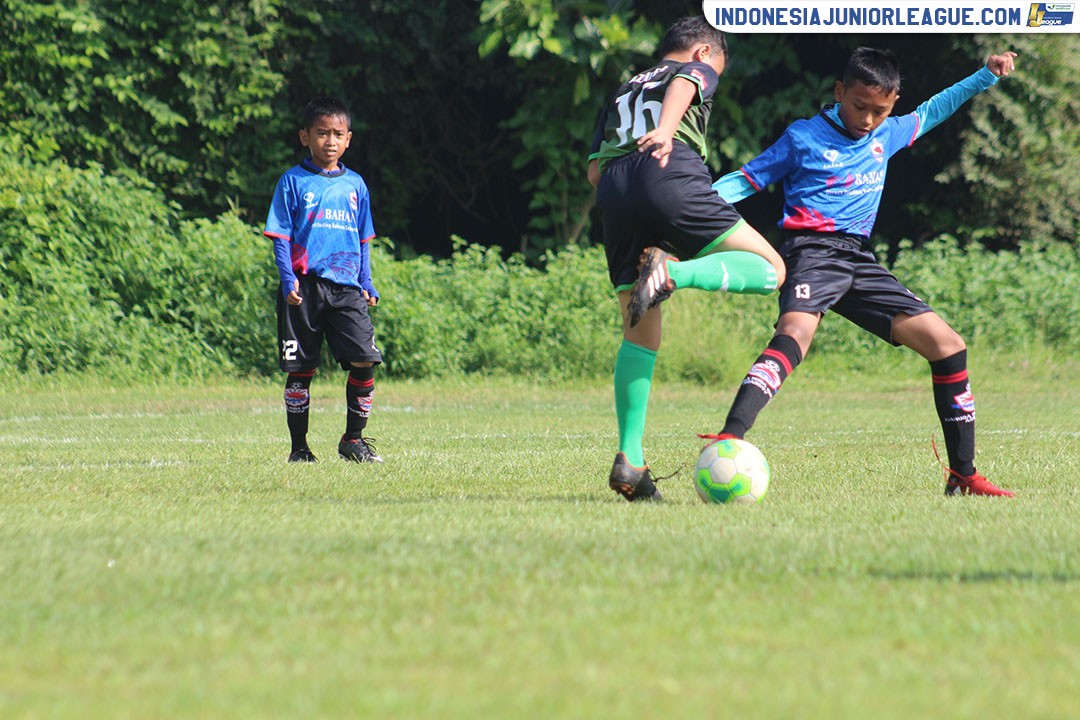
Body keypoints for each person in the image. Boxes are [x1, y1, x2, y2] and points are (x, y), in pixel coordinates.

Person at [696, 46, 1018, 496]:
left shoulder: (888, 134)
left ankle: (963, 475)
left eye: (880, 111)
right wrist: (691, 204)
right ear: (839, 91)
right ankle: (731, 436)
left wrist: (986, 75)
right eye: (859, 106)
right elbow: (747, 180)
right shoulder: (803, 136)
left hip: (859, 261)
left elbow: (937, 108)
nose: (867, 119)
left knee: (948, 346)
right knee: (794, 335)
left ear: (893, 106)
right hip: (811, 253)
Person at [587, 16, 786, 502]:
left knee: (639, 333)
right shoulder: (696, 67)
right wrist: (667, 131)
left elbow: (593, 170)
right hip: (666, 170)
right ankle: (673, 271)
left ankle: (630, 460)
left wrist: (629, 187)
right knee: (771, 270)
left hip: (614, 191)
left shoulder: (622, 90)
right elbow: (686, 82)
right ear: (703, 52)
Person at [264, 96, 384, 464]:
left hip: (347, 288)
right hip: (304, 287)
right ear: (305, 137)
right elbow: (280, 235)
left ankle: (353, 439)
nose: (329, 141)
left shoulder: (356, 186)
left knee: (365, 360)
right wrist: (288, 281)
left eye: (337, 134)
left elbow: (363, 238)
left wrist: (366, 280)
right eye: (321, 133)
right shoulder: (293, 182)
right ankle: (299, 449)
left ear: (348, 139)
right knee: (301, 369)